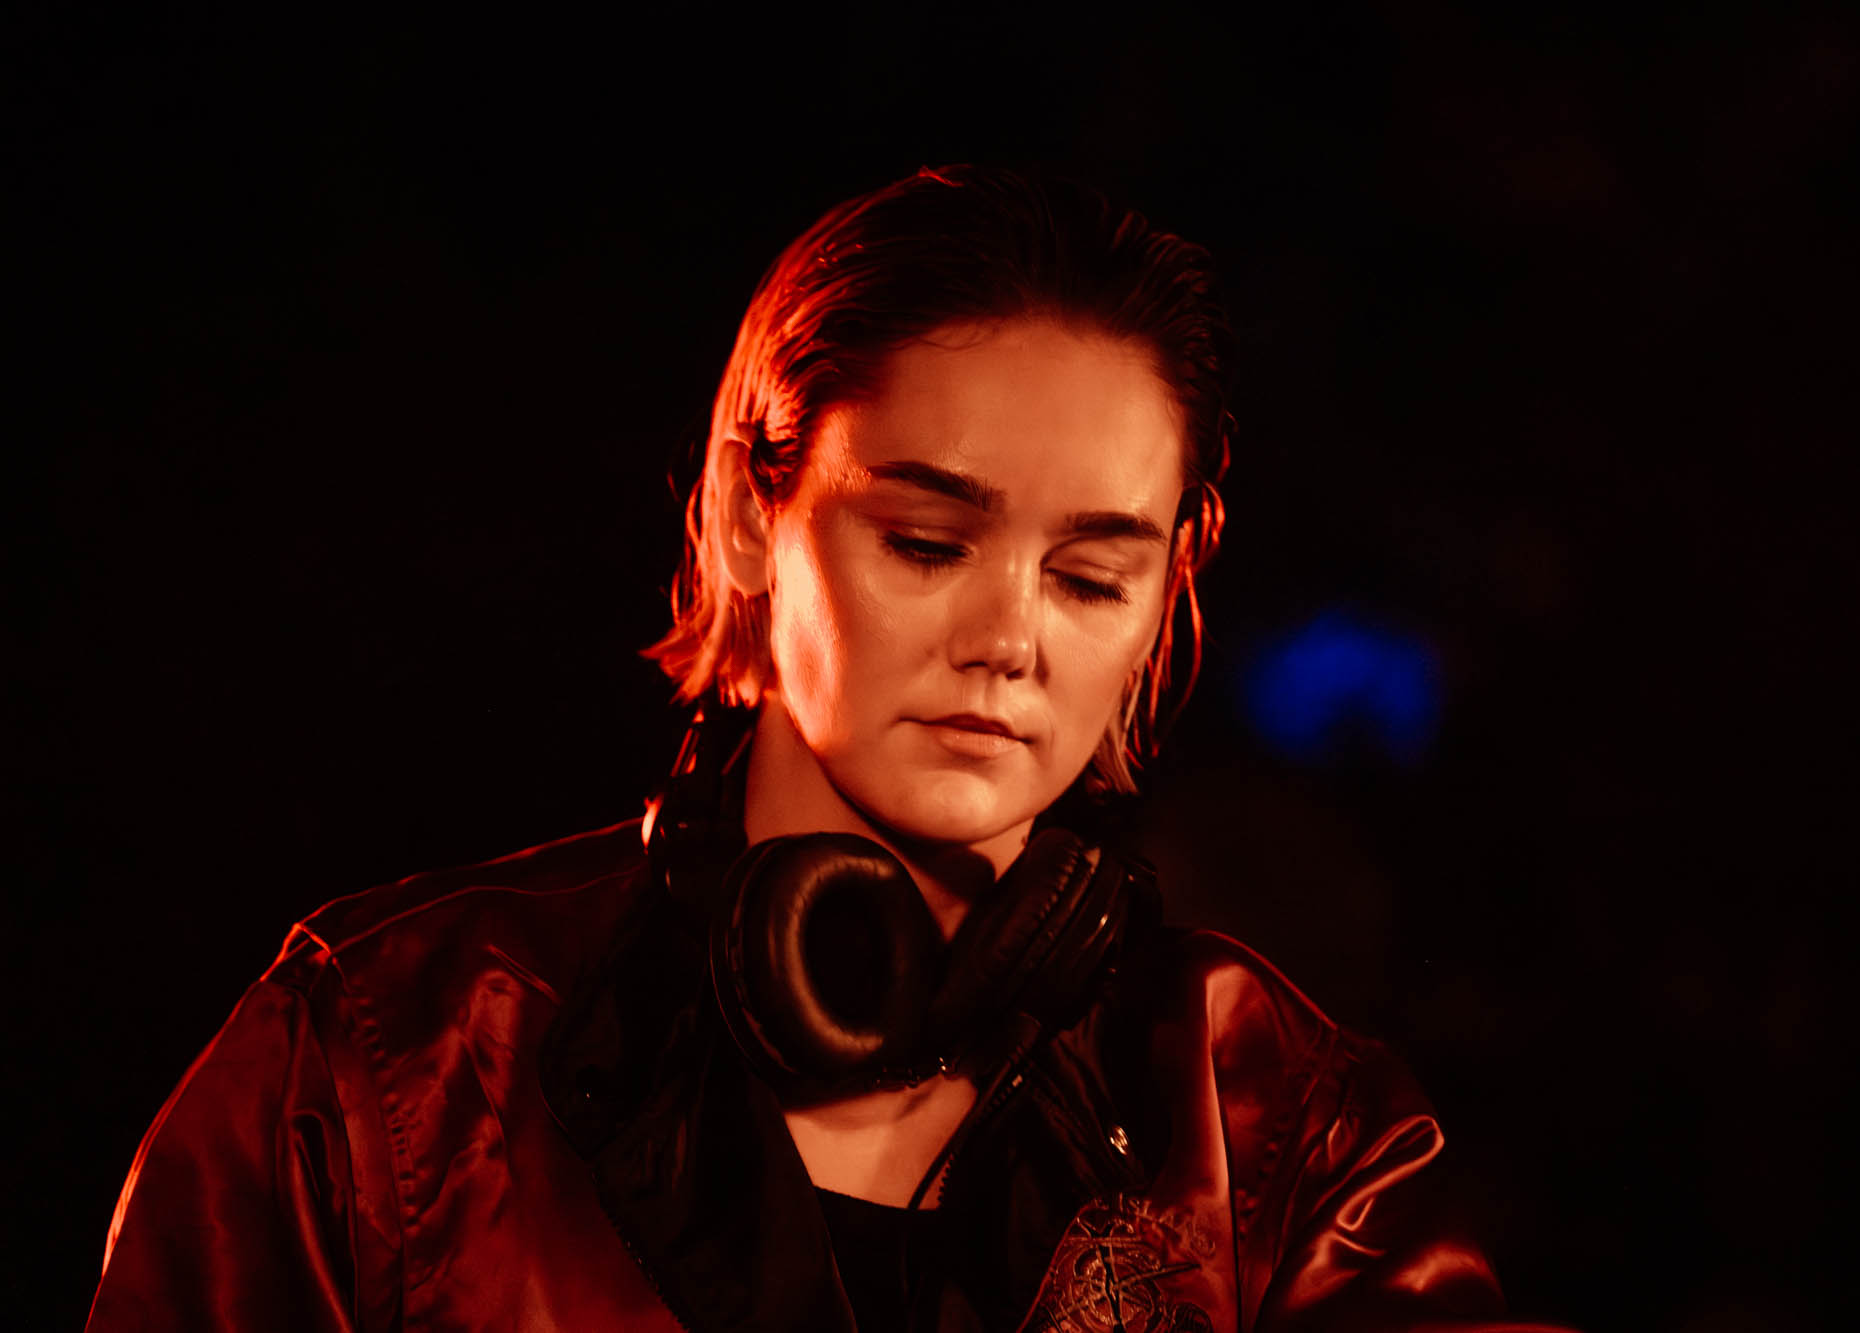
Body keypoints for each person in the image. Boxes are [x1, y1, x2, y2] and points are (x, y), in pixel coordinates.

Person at [87, 166, 1561, 1332]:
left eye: (1091, 576)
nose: (1010, 640)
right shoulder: (377, 1065)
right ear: (749, 515)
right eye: (927, 542)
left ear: (1166, 593)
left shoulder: (1285, 1126)